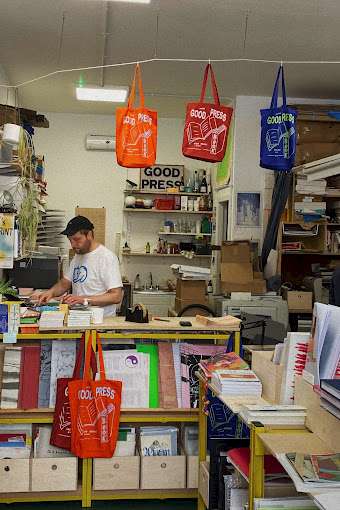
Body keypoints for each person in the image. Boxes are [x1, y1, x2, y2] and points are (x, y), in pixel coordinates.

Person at [34, 215, 123, 317]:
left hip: (100, 323)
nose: (73, 245)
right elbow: (65, 283)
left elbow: (116, 296)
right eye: (70, 240)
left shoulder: (106, 257)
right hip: (80, 320)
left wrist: (83, 299)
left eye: (76, 239)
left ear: (89, 235)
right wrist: (51, 292)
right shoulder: (78, 256)